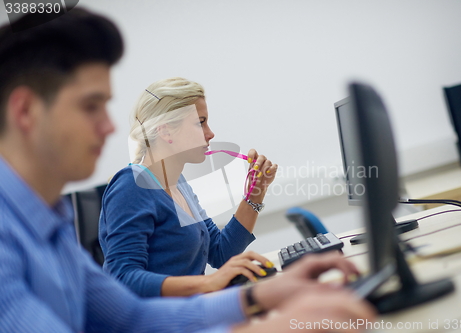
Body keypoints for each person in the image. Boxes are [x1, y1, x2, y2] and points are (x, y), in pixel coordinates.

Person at [0, 8, 376, 333]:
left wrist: (254, 294)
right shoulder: (130, 186)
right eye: (90, 106)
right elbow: (127, 280)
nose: (111, 127)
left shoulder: (52, 223)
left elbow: (135, 314)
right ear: (25, 112)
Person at [99, 77, 279, 297]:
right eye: (200, 122)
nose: (210, 133)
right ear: (165, 132)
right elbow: (124, 278)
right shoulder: (132, 186)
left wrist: (256, 191)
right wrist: (208, 284)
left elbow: (221, 253)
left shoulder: (179, 183)